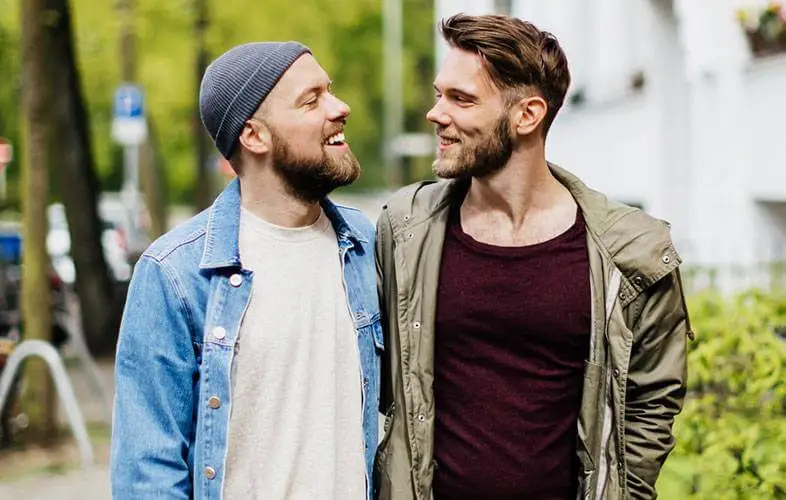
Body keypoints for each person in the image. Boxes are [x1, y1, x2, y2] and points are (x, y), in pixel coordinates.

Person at [374, 14, 692, 500]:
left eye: (461, 99)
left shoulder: (631, 253)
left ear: (527, 115)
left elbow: (651, 401)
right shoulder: (404, 230)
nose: (436, 113)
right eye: (440, 95)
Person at [110, 41, 383, 500]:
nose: (340, 108)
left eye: (329, 91)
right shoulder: (176, 273)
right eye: (311, 100)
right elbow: (147, 473)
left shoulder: (365, 245)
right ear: (254, 136)